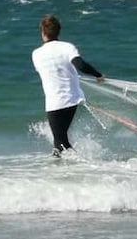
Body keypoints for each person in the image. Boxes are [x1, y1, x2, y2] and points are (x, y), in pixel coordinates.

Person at [32, 14, 105, 157]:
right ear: (58, 31)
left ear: (43, 32)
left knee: (59, 142)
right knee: (60, 141)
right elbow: (81, 65)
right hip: (72, 99)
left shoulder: (36, 54)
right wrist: (98, 75)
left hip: (55, 102)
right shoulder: (67, 47)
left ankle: (79, 167)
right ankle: (67, 171)